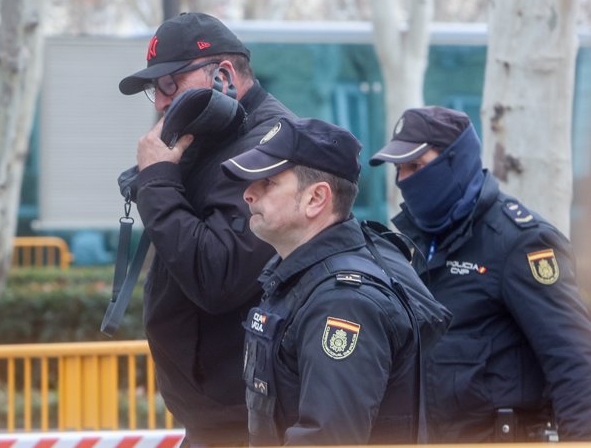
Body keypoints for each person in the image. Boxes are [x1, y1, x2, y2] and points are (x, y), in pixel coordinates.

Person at [115, 12, 296, 446]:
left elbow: (216, 275)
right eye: (155, 89)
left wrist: (157, 181)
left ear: (224, 75)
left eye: (170, 84)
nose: (161, 101)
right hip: (224, 412)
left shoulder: (269, 147)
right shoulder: (214, 139)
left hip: (251, 418)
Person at [220, 117, 450, 446]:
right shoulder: (300, 277)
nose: (248, 194)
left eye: (268, 182)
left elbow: (327, 439)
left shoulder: (342, 302)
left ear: (316, 198)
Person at [369, 105, 591, 442]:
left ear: (456, 162)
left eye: (416, 166)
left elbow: (574, 362)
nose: (404, 181)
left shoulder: (521, 242)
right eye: (399, 170)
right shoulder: (406, 242)